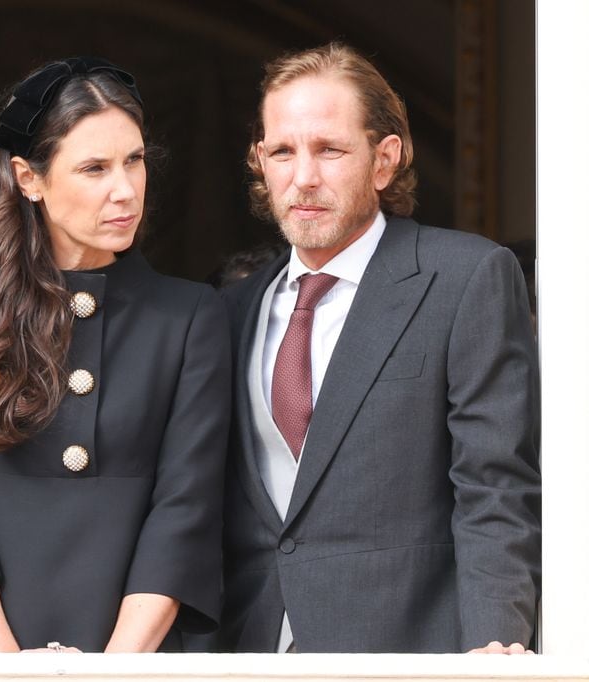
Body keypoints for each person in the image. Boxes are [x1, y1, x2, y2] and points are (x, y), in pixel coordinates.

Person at [0, 57, 230, 653]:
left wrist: (113, 671)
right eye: (94, 168)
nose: (125, 189)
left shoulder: (192, 317)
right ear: (29, 178)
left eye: (134, 160)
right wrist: (6, 667)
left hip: (137, 658)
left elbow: (184, 512)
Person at [219, 43, 540, 654]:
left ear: (384, 159)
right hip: (250, 652)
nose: (303, 176)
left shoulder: (463, 277)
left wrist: (496, 645)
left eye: (330, 149)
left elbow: (494, 485)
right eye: (283, 151)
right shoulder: (231, 312)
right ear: (260, 162)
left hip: (408, 651)